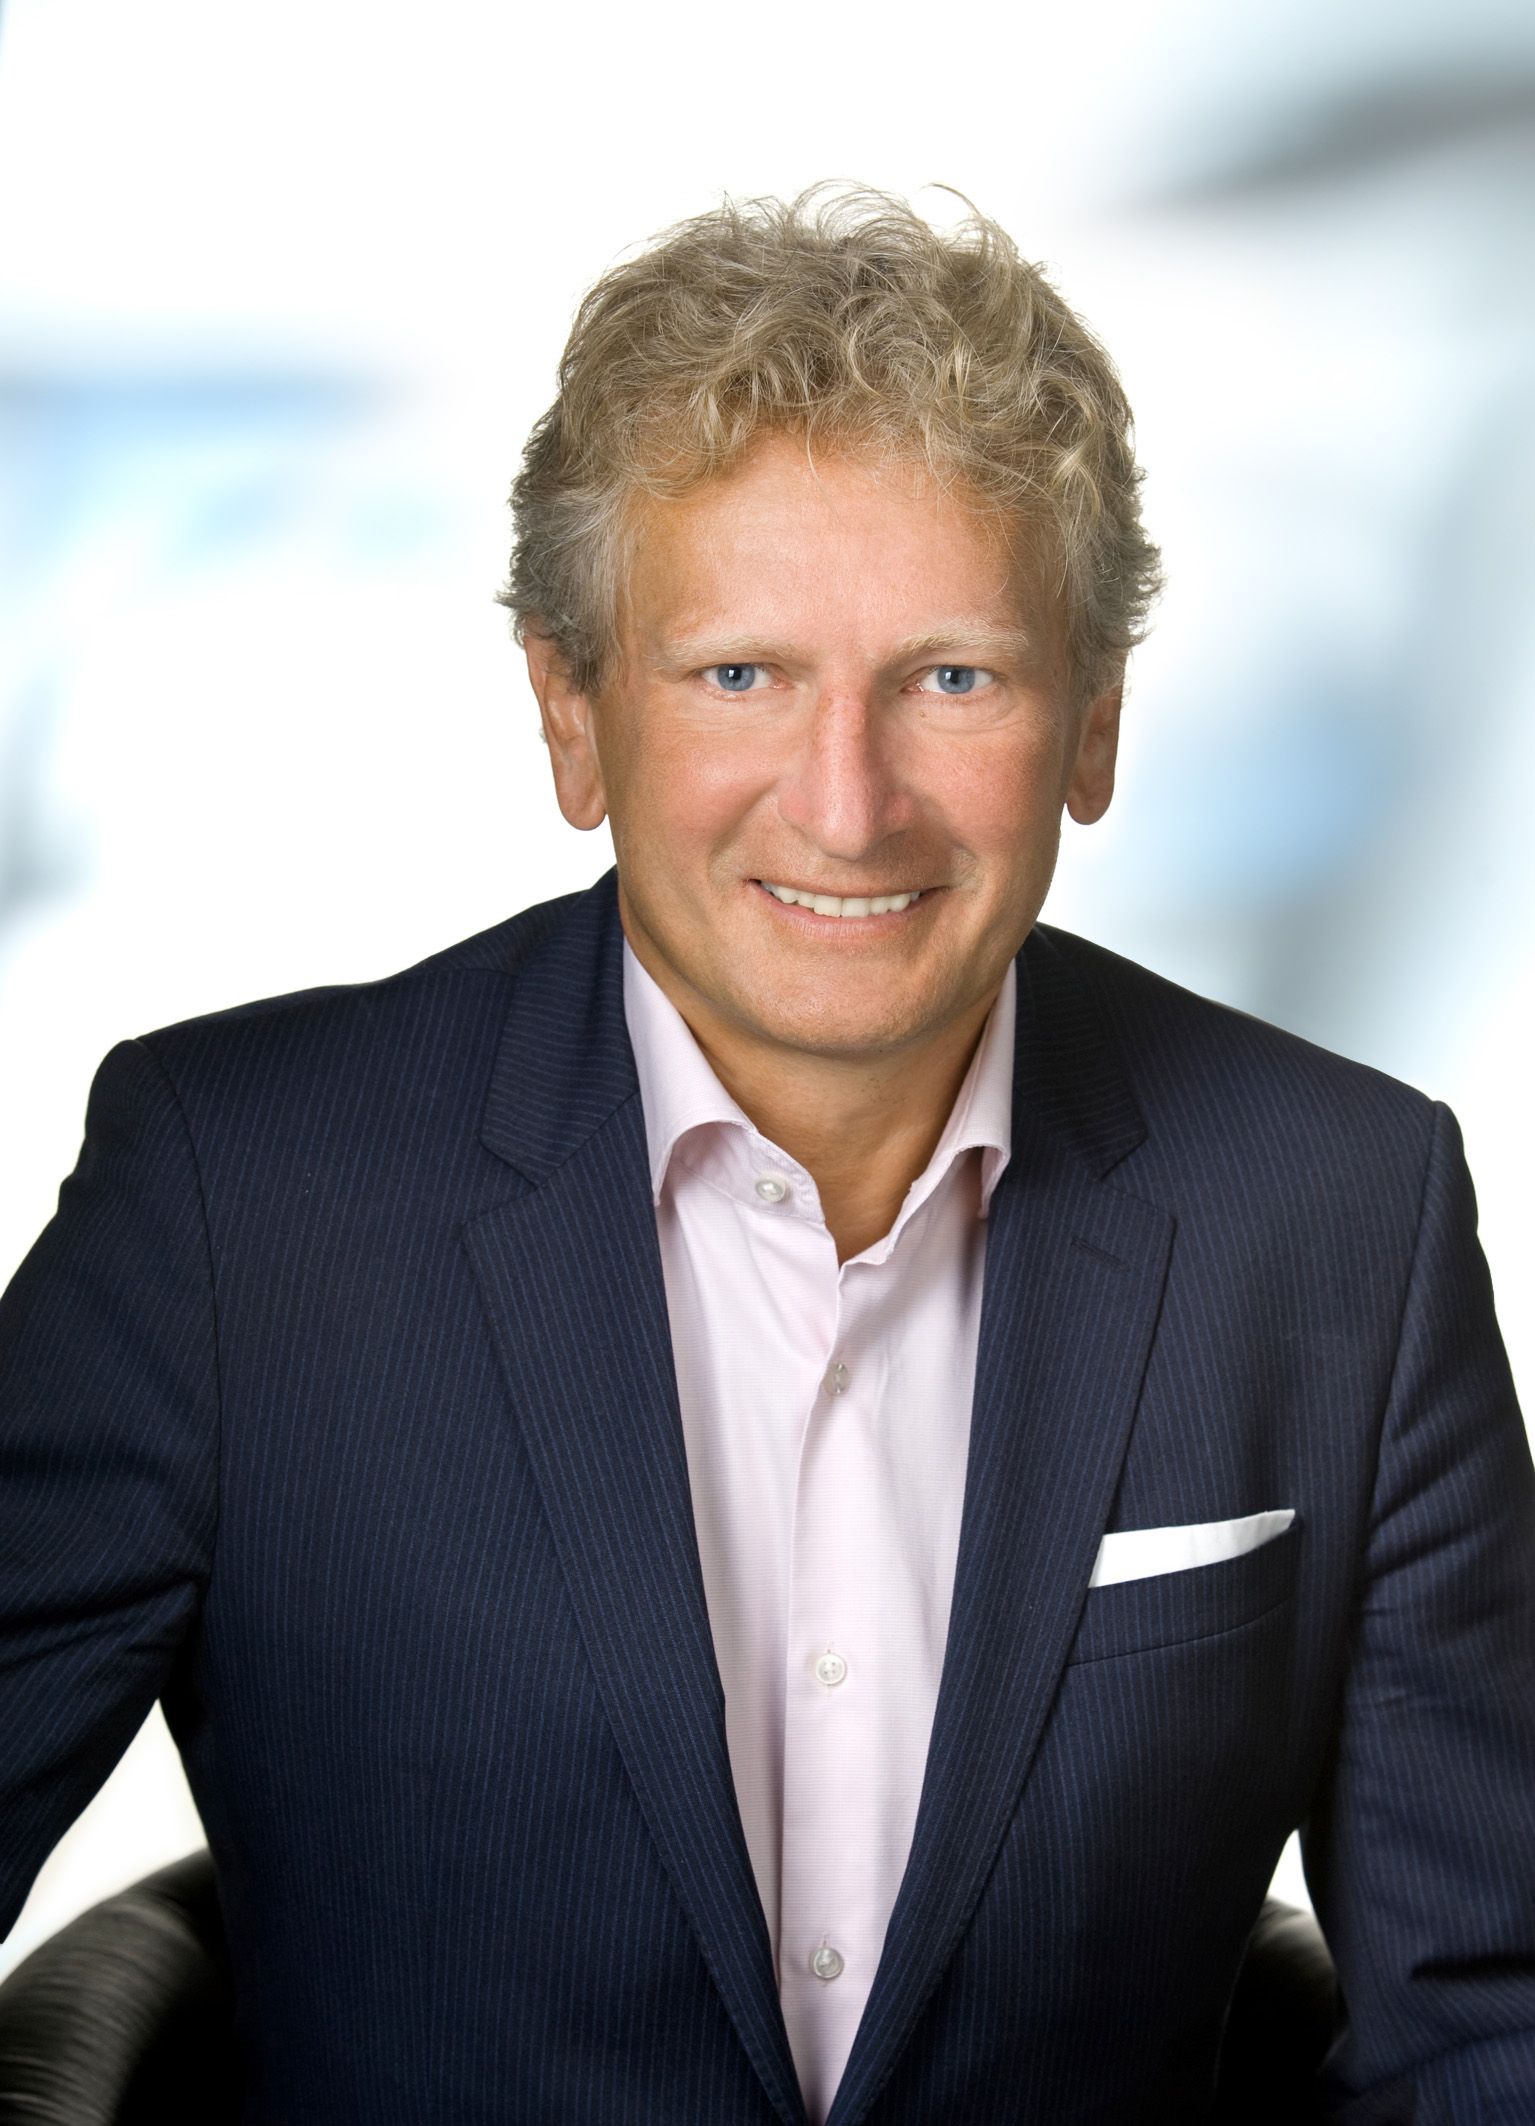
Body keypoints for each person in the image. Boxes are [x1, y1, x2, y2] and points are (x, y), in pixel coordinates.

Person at [1, 183, 1531, 2126]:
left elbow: (1493, 2024)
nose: (848, 802)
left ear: (1094, 724)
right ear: (571, 716)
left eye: (954, 676)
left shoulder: (1340, 1215)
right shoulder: (238, 1208)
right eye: (741, 674)